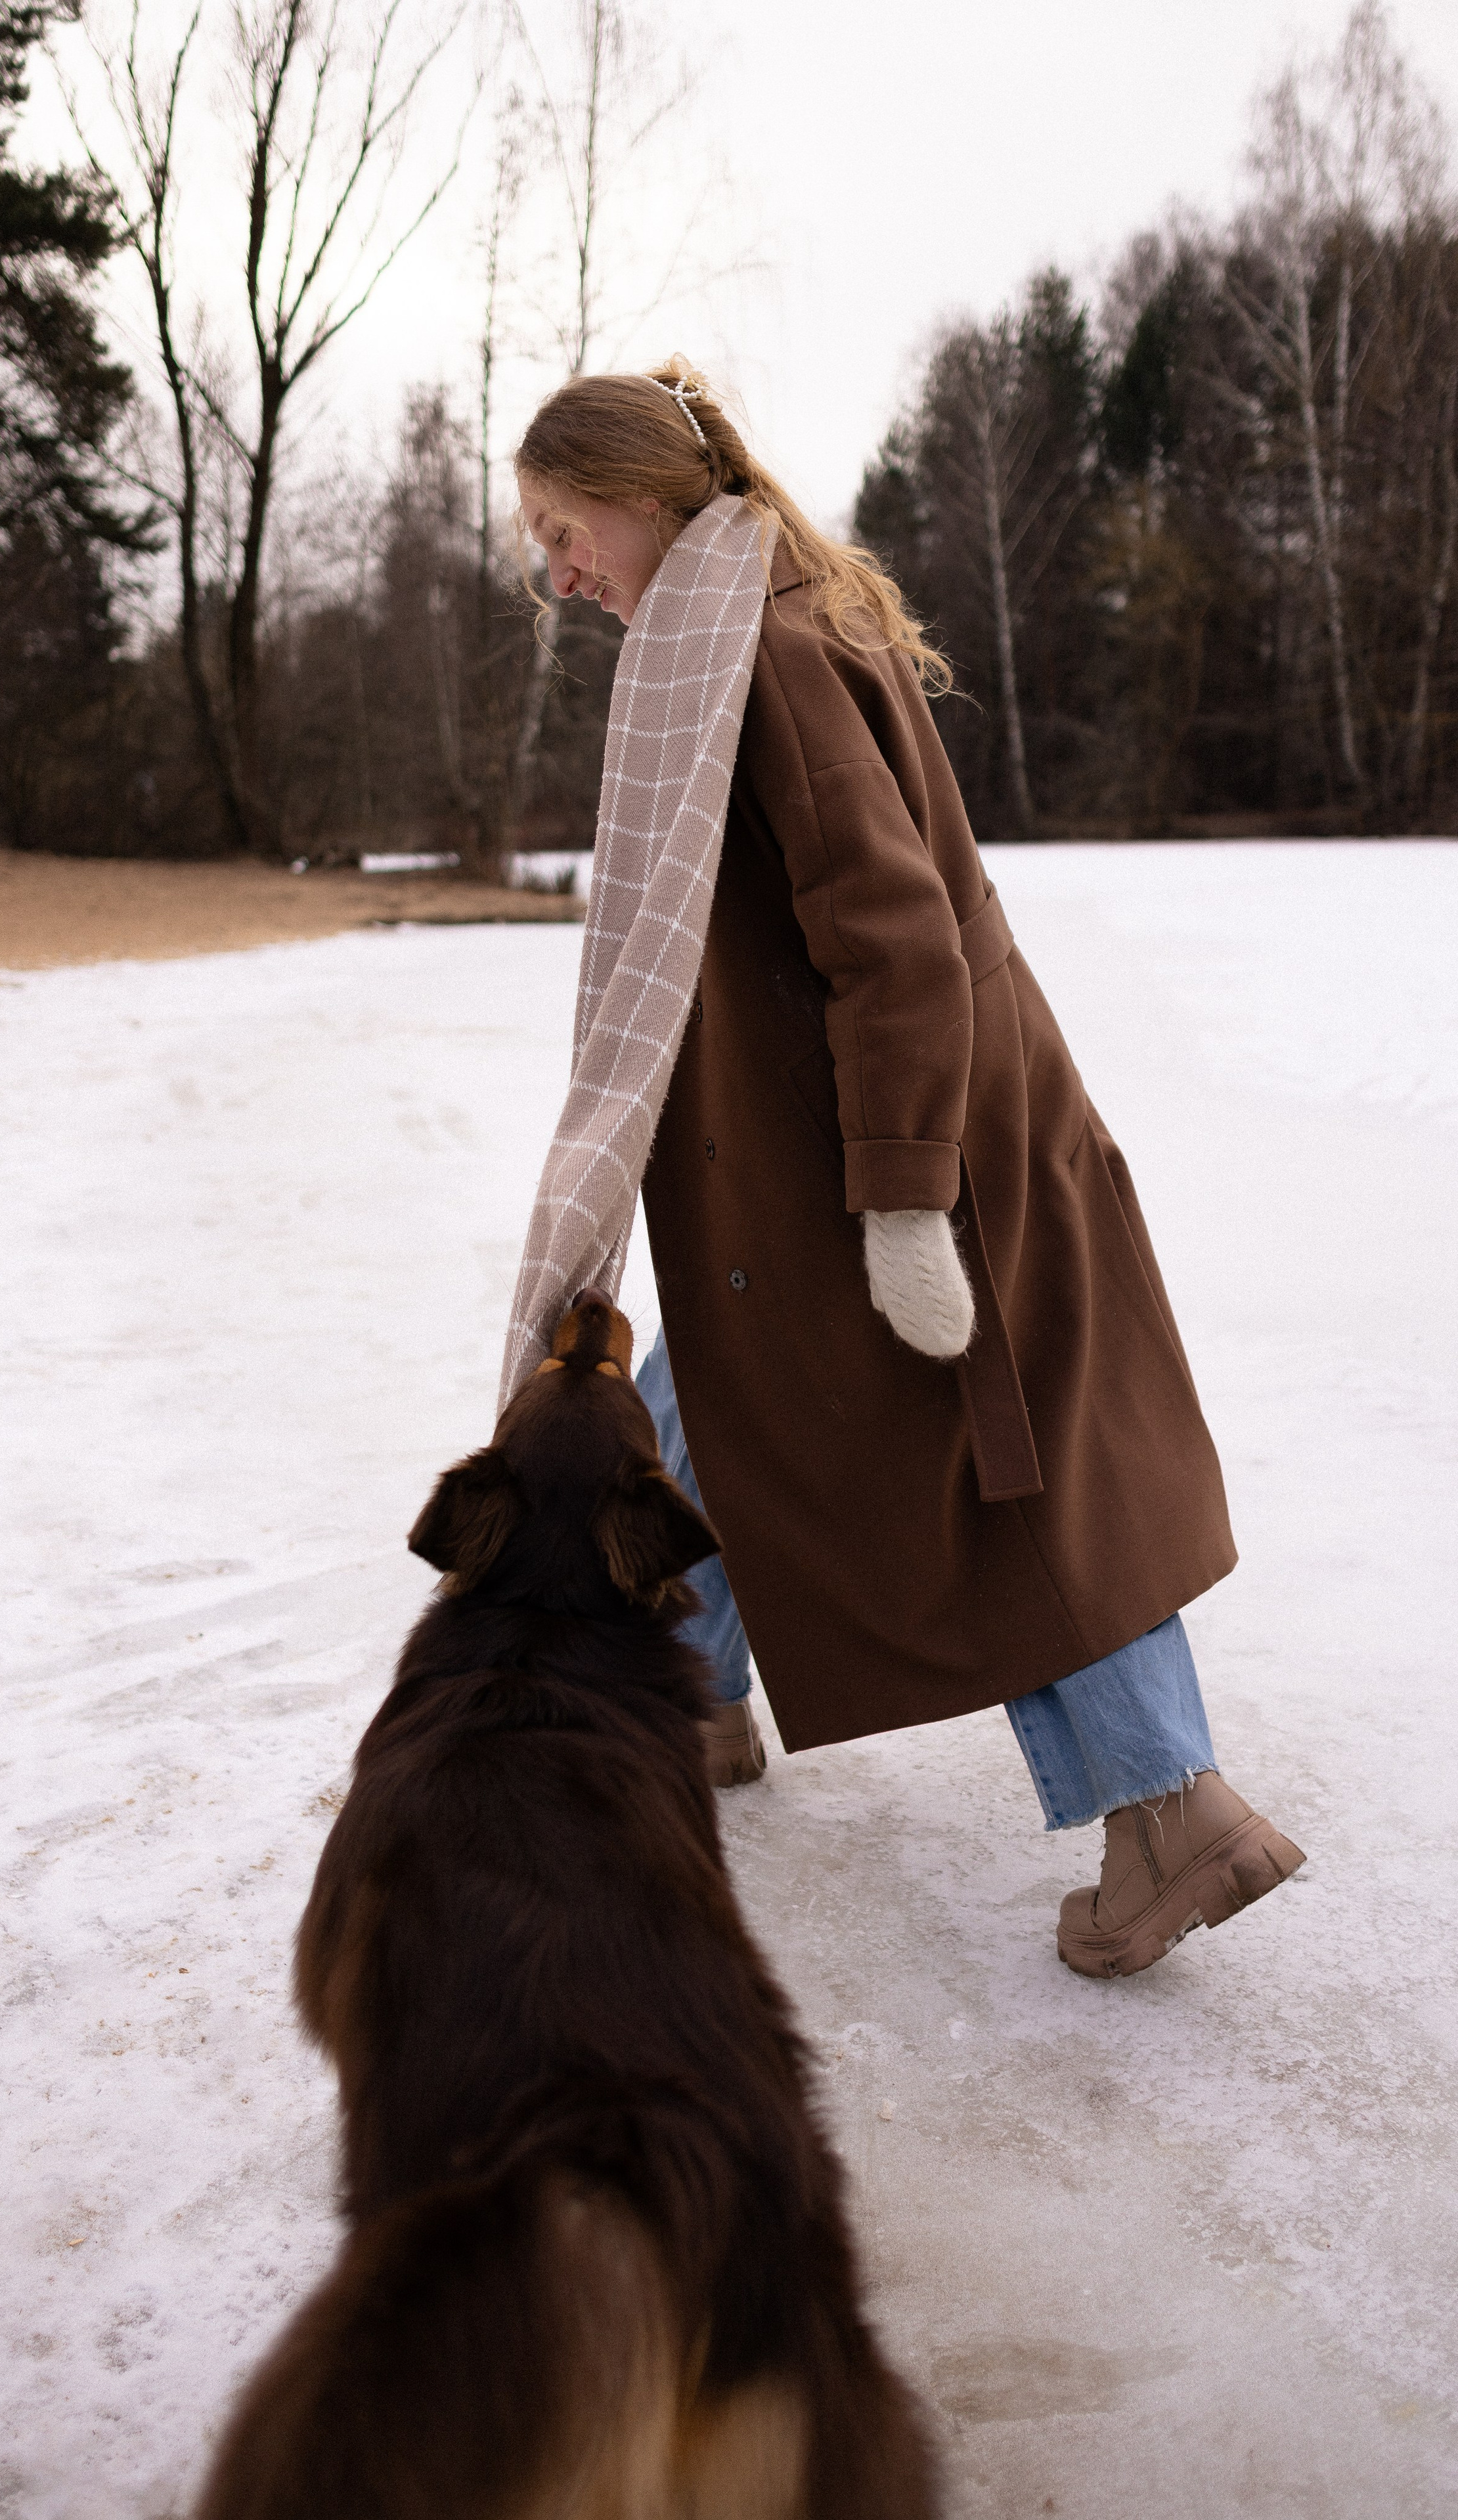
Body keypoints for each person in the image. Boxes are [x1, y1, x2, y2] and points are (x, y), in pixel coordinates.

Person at [511, 358, 1304, 1981]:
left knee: (998, 1471)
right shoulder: (740, 623)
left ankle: (1170, 1811)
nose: (554, 569)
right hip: (870, 1145)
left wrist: (896, 1201)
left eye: (561, 526)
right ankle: (687, 1685)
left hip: (912, 1148)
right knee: (731, 1400)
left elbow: (894, 946)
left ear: (642, 498)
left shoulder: (773, 650)